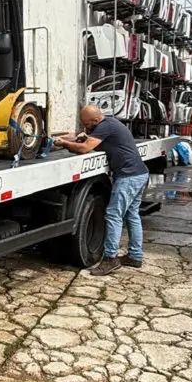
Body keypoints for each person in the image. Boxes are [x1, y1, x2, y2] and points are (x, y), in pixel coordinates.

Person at [55, 104, 149, 276]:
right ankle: (135, 256)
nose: (85, 127)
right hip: (139, 174)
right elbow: (83, 137)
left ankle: (110, 259)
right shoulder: (108, 123)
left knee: (113, 215)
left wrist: (64, 144)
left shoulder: (105, 126)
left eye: (87, 123)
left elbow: (84, 148)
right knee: (132, 215)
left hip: (128, 177)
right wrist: (74, 137)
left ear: (96, 120)